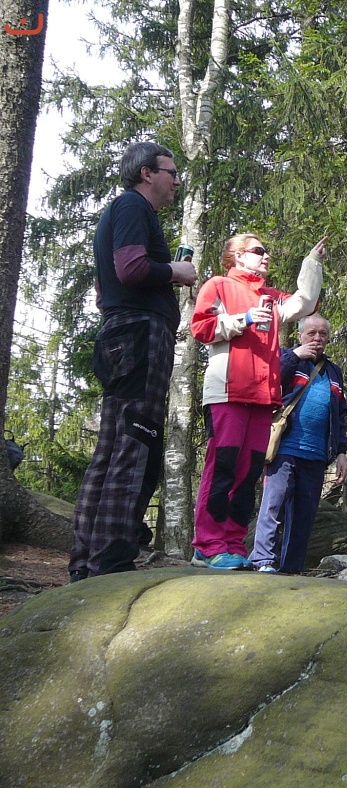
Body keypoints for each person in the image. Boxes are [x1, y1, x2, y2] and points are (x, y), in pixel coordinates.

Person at [68, 142, 198, 582]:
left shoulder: (122, 212)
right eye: (171, 172)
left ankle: (87, 563)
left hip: (124, 334)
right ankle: (110, 561)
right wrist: (175, 272)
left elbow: (106, 289)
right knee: (135, 442)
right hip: (140, 336)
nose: (176, 181)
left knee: (114, 446)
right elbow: (130, 269)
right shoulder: (132, 207)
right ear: (147, 173)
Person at [189, 233, 326, 570]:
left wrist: (312, 263)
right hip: (228, 392)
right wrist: (245, 319)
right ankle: (207, 546)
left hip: (264, 397)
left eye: (267, 251)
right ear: (237, 256)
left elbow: (305, 303)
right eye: (258, 251)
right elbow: (201, 328)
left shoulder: (270, 296)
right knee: (222, 467)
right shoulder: (219, 285)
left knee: (248, 473)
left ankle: (234, 544)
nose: (266, 256)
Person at [250, 314, 347, 573]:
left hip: (317, 454)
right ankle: (263, 560)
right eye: (311, 333)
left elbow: (340, 415)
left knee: (304, 514)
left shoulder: (333, 372)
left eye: (322, 334)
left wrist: (341, 452)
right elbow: (270, 379)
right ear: (300, 335)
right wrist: (296, 355)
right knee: (273, 505)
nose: (317, 338)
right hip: (284, 448)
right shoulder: (288, 358)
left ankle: (291, 568)